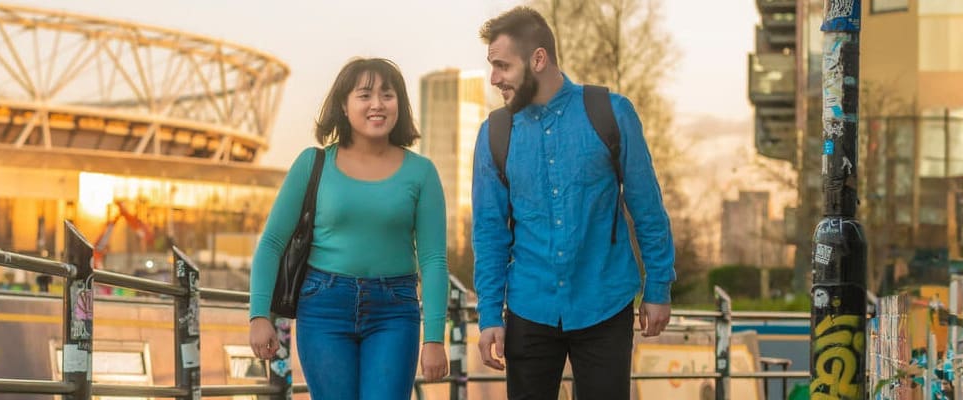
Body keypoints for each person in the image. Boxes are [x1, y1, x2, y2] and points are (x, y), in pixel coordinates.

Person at [469, 7, 677, 400]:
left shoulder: (611, 113)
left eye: (502, 66)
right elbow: (489, 232)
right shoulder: (494, 134)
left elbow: (647, 207)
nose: (494, 78)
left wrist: (658, 287)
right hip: (530, 308)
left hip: (605, 301)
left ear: (538, 59)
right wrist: (489, 314)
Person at [248, 57, 451, 399]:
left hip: (395, 312)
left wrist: (433, 338)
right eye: (365, 95)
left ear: (399, 103)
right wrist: (258, 315)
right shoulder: (313, 164)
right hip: (323, 308)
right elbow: (271, 243)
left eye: (388, 95)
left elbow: (433, 260)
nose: (377, 104)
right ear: (343, 105)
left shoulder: (422, 173)